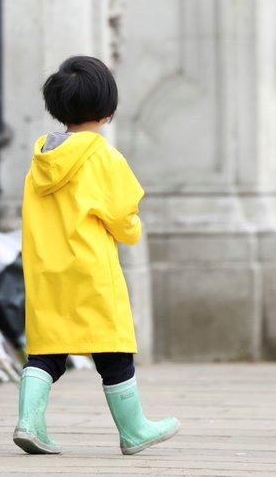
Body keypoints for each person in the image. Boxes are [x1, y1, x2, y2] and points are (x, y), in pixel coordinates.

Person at [14, 55, 179, 456]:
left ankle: (29, 422)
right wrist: (133, 230)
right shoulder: (105, 157)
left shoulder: (40, 161)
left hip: (47, 271)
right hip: (91, 271)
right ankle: (134, 428)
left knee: (48, 352)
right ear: (108, 110)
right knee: (114, 349)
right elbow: (124, 217)